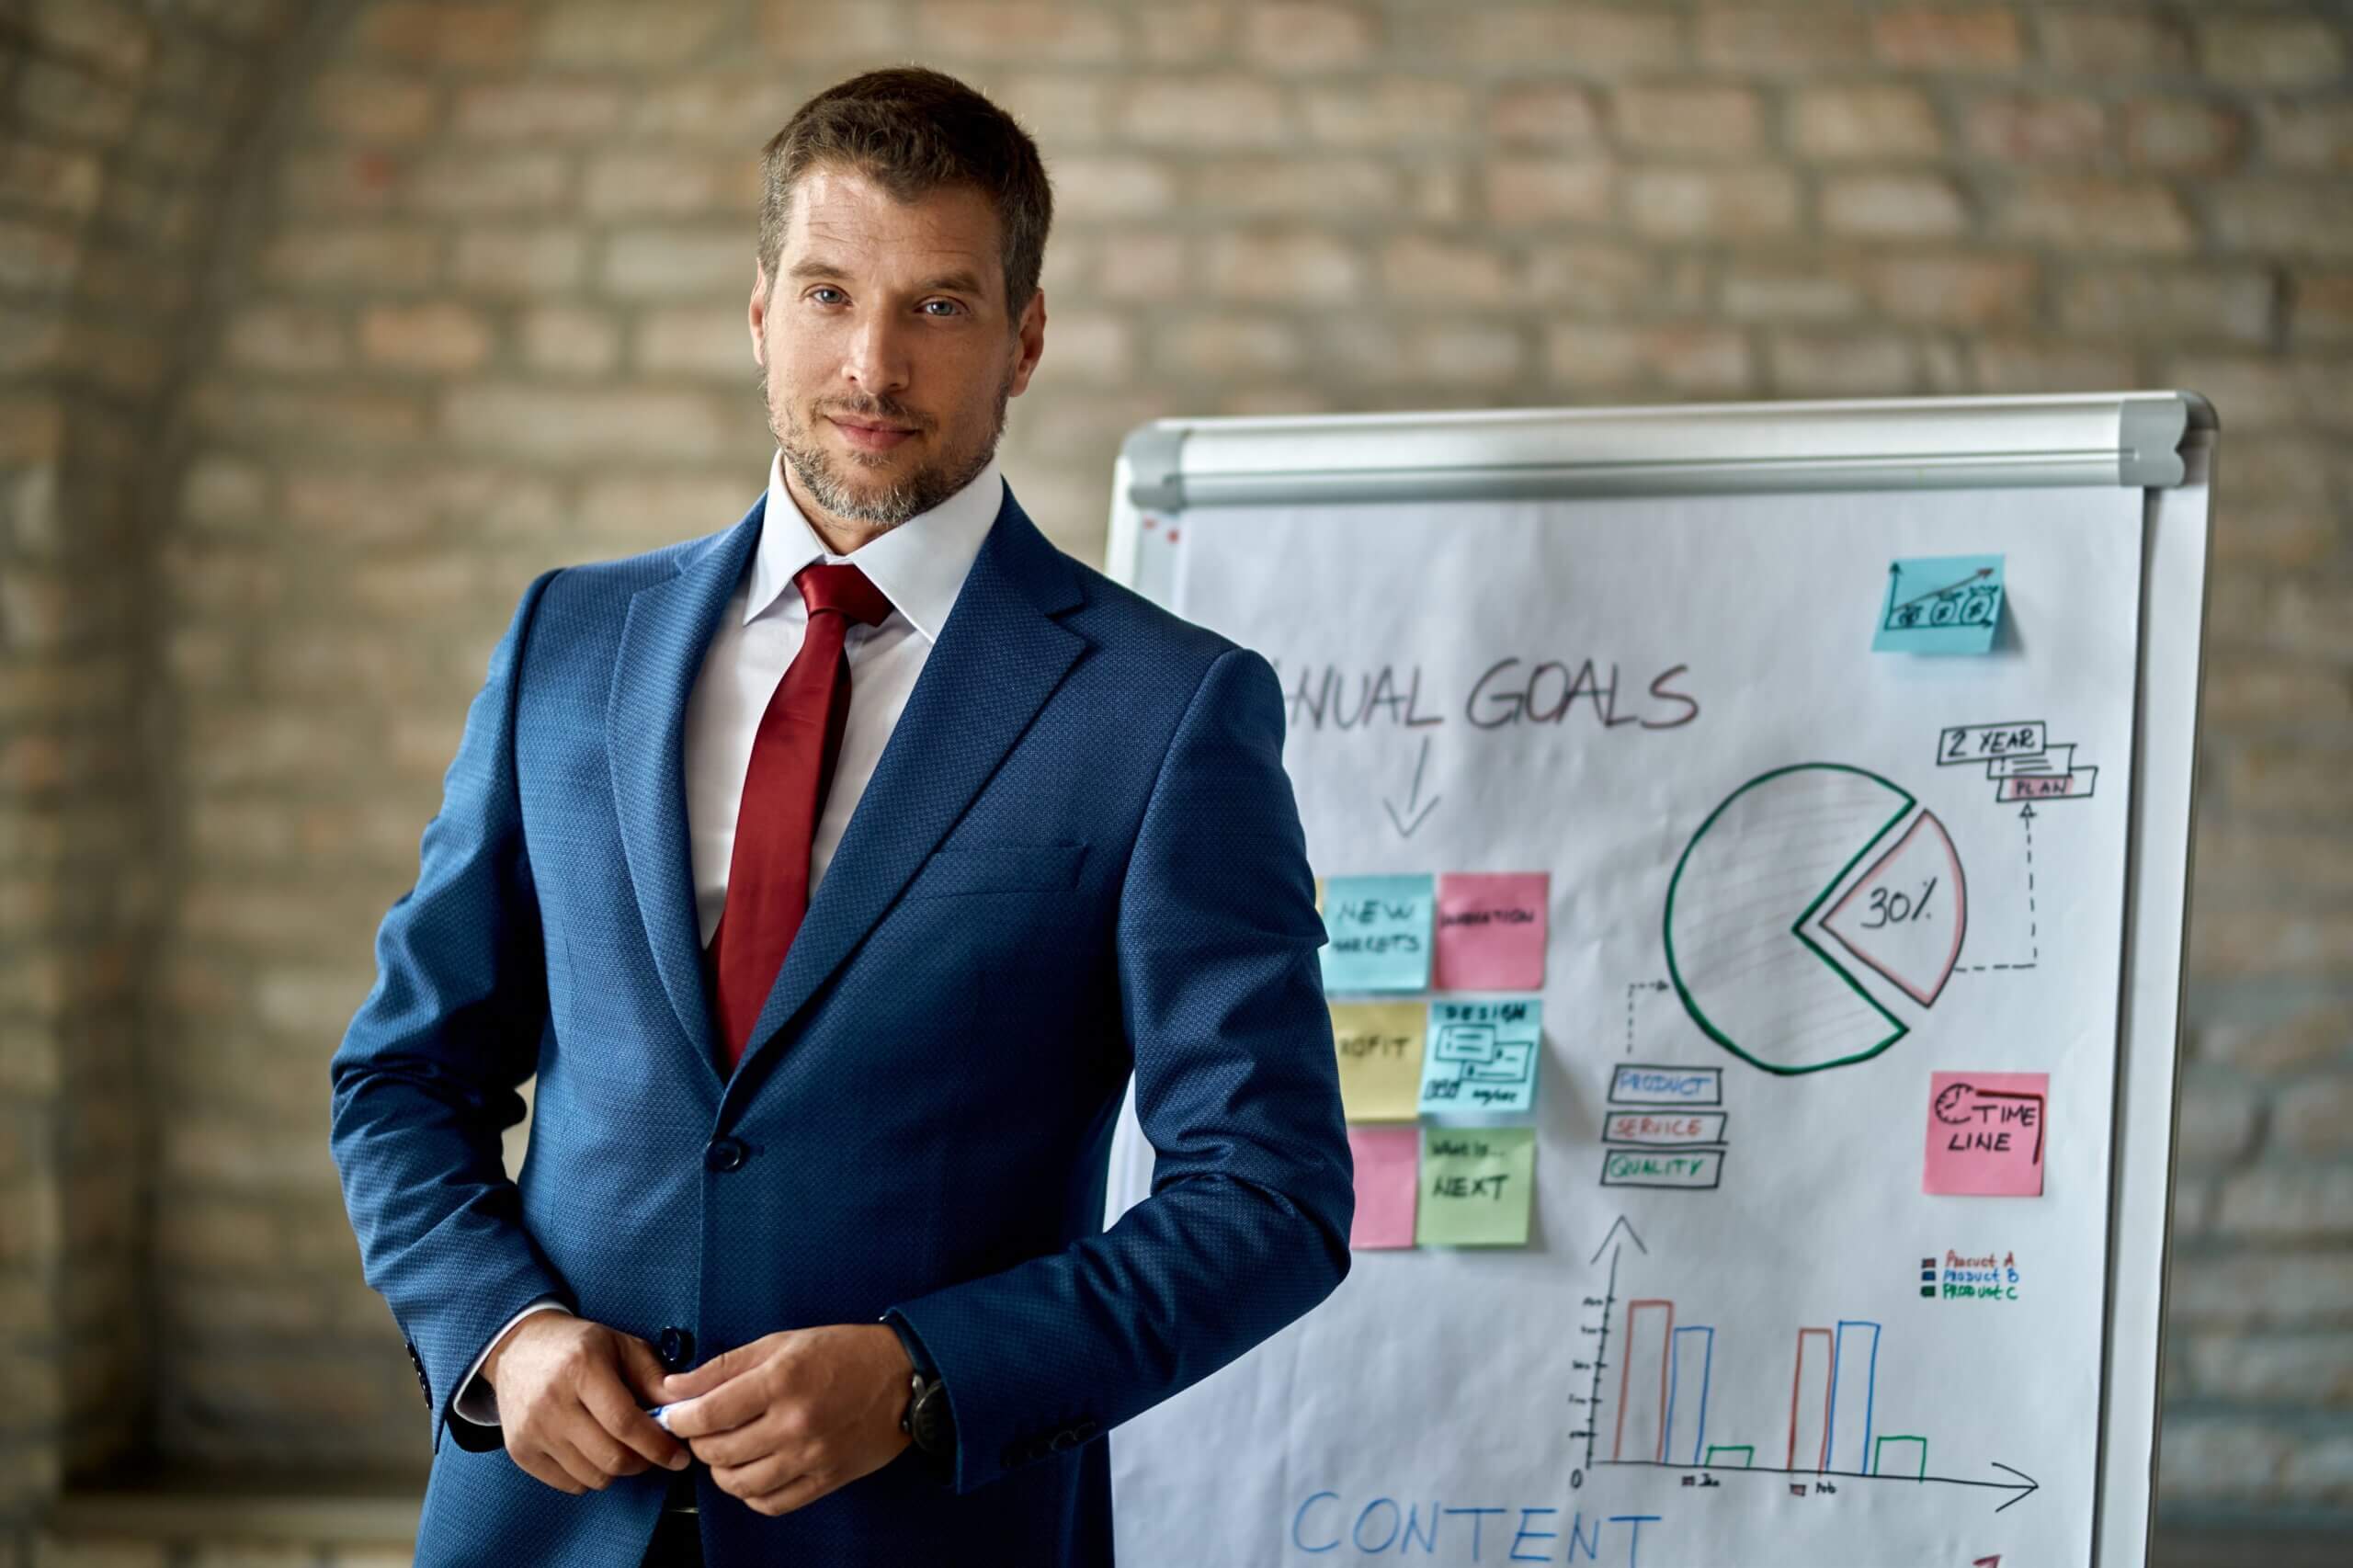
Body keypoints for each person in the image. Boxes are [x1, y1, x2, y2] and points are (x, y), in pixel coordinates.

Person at [327, 64, 1353, 1568]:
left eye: (938, 306)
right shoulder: (569, 640)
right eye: (827, 294)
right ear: (758, 313)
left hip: (927, 1535)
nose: (871, 363)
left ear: (1028, 338)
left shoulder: (1166, 710)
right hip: (536, 1528)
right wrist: (501, 1330)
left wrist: (928, 1376)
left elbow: (1270, 1196)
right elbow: (405, 1073)